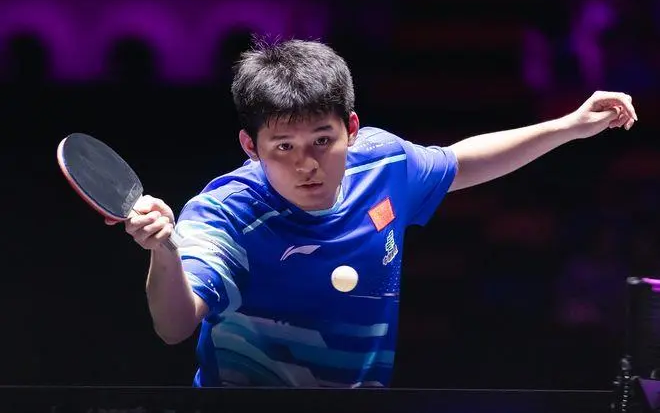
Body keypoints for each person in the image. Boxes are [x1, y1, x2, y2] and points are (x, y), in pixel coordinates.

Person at [107, 37, 637, 388]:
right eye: (283, 147)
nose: (307, 164)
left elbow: (462, 161)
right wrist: (164, 251)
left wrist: (568, 125)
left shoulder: (382, 164)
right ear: (250, 146)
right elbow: (175, 325)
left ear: (352, 129)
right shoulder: (226, 214)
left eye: (322, 140)